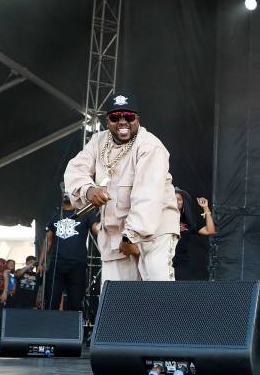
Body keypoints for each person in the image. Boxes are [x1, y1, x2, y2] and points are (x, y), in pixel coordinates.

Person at [64, 93, 180, 283]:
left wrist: (131, 237)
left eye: (129, 116)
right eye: (116, 117)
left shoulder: (150, 146)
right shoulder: (98, 141)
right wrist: (88, 190)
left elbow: (148, 196)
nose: (122, 121)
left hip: (154, 231)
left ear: (138, 119)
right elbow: (75, 169)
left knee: (158, 287)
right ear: (107, 120)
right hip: (116, 233)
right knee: (117, 297)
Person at [37, 187, 99, 311]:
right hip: (57, 265)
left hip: (77, 265)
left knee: (75, 304)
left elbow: (96, 229)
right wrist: (40, 262)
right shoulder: (55, 215)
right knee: (51, 302)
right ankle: (50, 328)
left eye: (69, 190)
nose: (65, 192)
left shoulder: (85, 212)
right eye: (63, 190)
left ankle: (72, 329)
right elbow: (48, 241)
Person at [173, 188, 216, 281]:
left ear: (183, 202)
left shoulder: (188, 220)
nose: (176, 202)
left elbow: (210, 230)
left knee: (179, 292)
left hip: (181, 263)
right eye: (173, 198)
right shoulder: (160, 218)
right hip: (162, 261)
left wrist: (205, 207)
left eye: (179, 199)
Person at [0, 260, 17, 334]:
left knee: (6, 317)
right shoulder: (1, 273)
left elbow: (14, 290)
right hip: (1, 295)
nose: (12, 265)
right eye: (10, 263)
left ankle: (6, 333)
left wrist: (7, 293)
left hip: (9, 298)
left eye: (13, 264)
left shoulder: (13, 277)